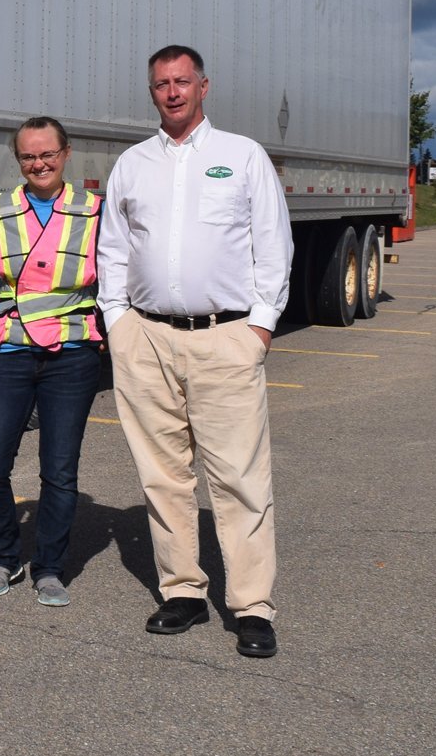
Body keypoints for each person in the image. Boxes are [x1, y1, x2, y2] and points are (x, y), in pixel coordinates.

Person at [98, 45, 291, 659]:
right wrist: (117, 321)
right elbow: (114, 249)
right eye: (162, 84)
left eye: (183, 82)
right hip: (146, 339)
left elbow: (272, 244)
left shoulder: (242, 157)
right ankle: (181, 591)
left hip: (225, 337)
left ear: (204, 86)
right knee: (163, 475)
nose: (173, 92)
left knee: (238, 478)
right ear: (151, 91)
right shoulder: (132, 164)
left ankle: (252, 605)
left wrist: (258, 328)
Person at [0, 117, 104, 607]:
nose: (39, 163)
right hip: (10, 350)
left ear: (66, 154)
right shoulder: (0, 208)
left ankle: (49, 567)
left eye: (48, 154)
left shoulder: (93, 210)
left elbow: (114, 274)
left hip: (71, 355)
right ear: (18, 159)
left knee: (59, 470)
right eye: (28, 156)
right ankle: (3, 556)